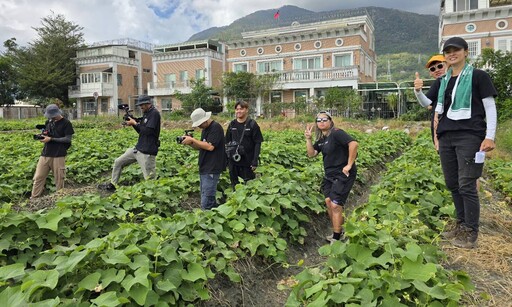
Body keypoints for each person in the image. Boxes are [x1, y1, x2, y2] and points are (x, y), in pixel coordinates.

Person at [414, 37, 498, 249]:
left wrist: (490, 136)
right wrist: (418, 91)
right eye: (448, 51)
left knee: (467, 184)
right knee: (453, 184)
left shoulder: (478, 76)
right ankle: (461, 224)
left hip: (469, 135)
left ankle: (471, 231)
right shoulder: (442, 81)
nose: (452, 54)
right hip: (446, 136)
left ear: (466, 52)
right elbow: (428, 103)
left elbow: (489, 106)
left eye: (456, 50)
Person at [304, 111, 358, 243]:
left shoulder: (337, 133)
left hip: (343, 174)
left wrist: (349, 165)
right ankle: (339, 229)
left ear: (330, 121)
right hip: (329, 175)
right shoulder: (322, 139)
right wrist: (308, 139)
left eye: (324, 119)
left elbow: (353, 144)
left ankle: (336, 237)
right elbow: (312, 154)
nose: (321, 122)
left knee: (335, 205)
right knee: (329, 202)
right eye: (318, 120)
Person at [99, 95, 161, 191]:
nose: (140, 107)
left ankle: (154, 196)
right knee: (118, 162)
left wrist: (135, 123)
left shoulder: (154, 114)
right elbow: (141, 131)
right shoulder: (146, 113)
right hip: (138, 148)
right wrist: (133, 123)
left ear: (147, 103)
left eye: (142, 105)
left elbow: (148, 131)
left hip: (147, 151)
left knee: (150, 178)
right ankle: (113, 185)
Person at [180, 108, 226, 210]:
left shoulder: (215, 128)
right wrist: (191, 143)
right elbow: (201, 146)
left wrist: (192, 139)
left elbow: (210, 147)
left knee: (206, 201)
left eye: (200, 124)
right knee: (207, 197)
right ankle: (217, 217)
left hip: (212, 168)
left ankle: (207, 222)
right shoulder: (205, 129)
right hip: (205, 168)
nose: (199, 126)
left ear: (205, 120)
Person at [31, 104, 75, 198]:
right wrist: (43, 136)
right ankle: (34, 198)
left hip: (58, 155)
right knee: (38, 177)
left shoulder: (66, 123)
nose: (51, 118)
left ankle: (60, 200)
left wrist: (51, 139)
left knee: (59, 179)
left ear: (57, 113)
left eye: (52, 116)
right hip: (45, 153)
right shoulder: (48, 122)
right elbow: (48, 133)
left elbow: (68, 139)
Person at [225, 100, 263, 188]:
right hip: (233, 162)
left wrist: (254, 161)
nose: (238, 111)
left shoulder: (252, 124)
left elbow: (258, 143)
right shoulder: (232, 124)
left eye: (241, 109)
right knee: (235, 185)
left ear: (246, 110)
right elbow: (226, 142)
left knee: (248, 186)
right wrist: (226, 160)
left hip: (247, 162)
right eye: (237, 109)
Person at [415, 54, 447, 145]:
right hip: (440, 129)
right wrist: (418, 91)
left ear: (447, 64)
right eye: (433, 69)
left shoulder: (459, 80)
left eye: (440, 66)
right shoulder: (438, 83)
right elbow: (427, 103)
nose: (436, 70)